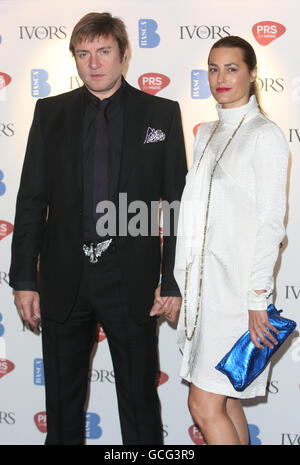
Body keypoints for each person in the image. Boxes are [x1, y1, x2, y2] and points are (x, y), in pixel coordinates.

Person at [9, 12, 187, 445]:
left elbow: (179, 205)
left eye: (104, 51)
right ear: (75, 59)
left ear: (124, 55)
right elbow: (31, 199)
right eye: (83, 54)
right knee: (62, 407)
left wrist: (171, 279)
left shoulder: (160, 114)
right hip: (64, 275)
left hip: (132, 277)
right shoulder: (50, 113)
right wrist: (24, 280)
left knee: (140, 403)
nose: (94, 63)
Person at [174, 36, 289, 445]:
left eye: (232, 68)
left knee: (204, 405)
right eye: (213, 68)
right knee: (227, 401)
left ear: (253, 73)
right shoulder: (205, 133)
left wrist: (258, 297)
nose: (220, 78)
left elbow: (271, 224)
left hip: (238, 296)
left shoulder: (265, 135)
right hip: (204, 293)